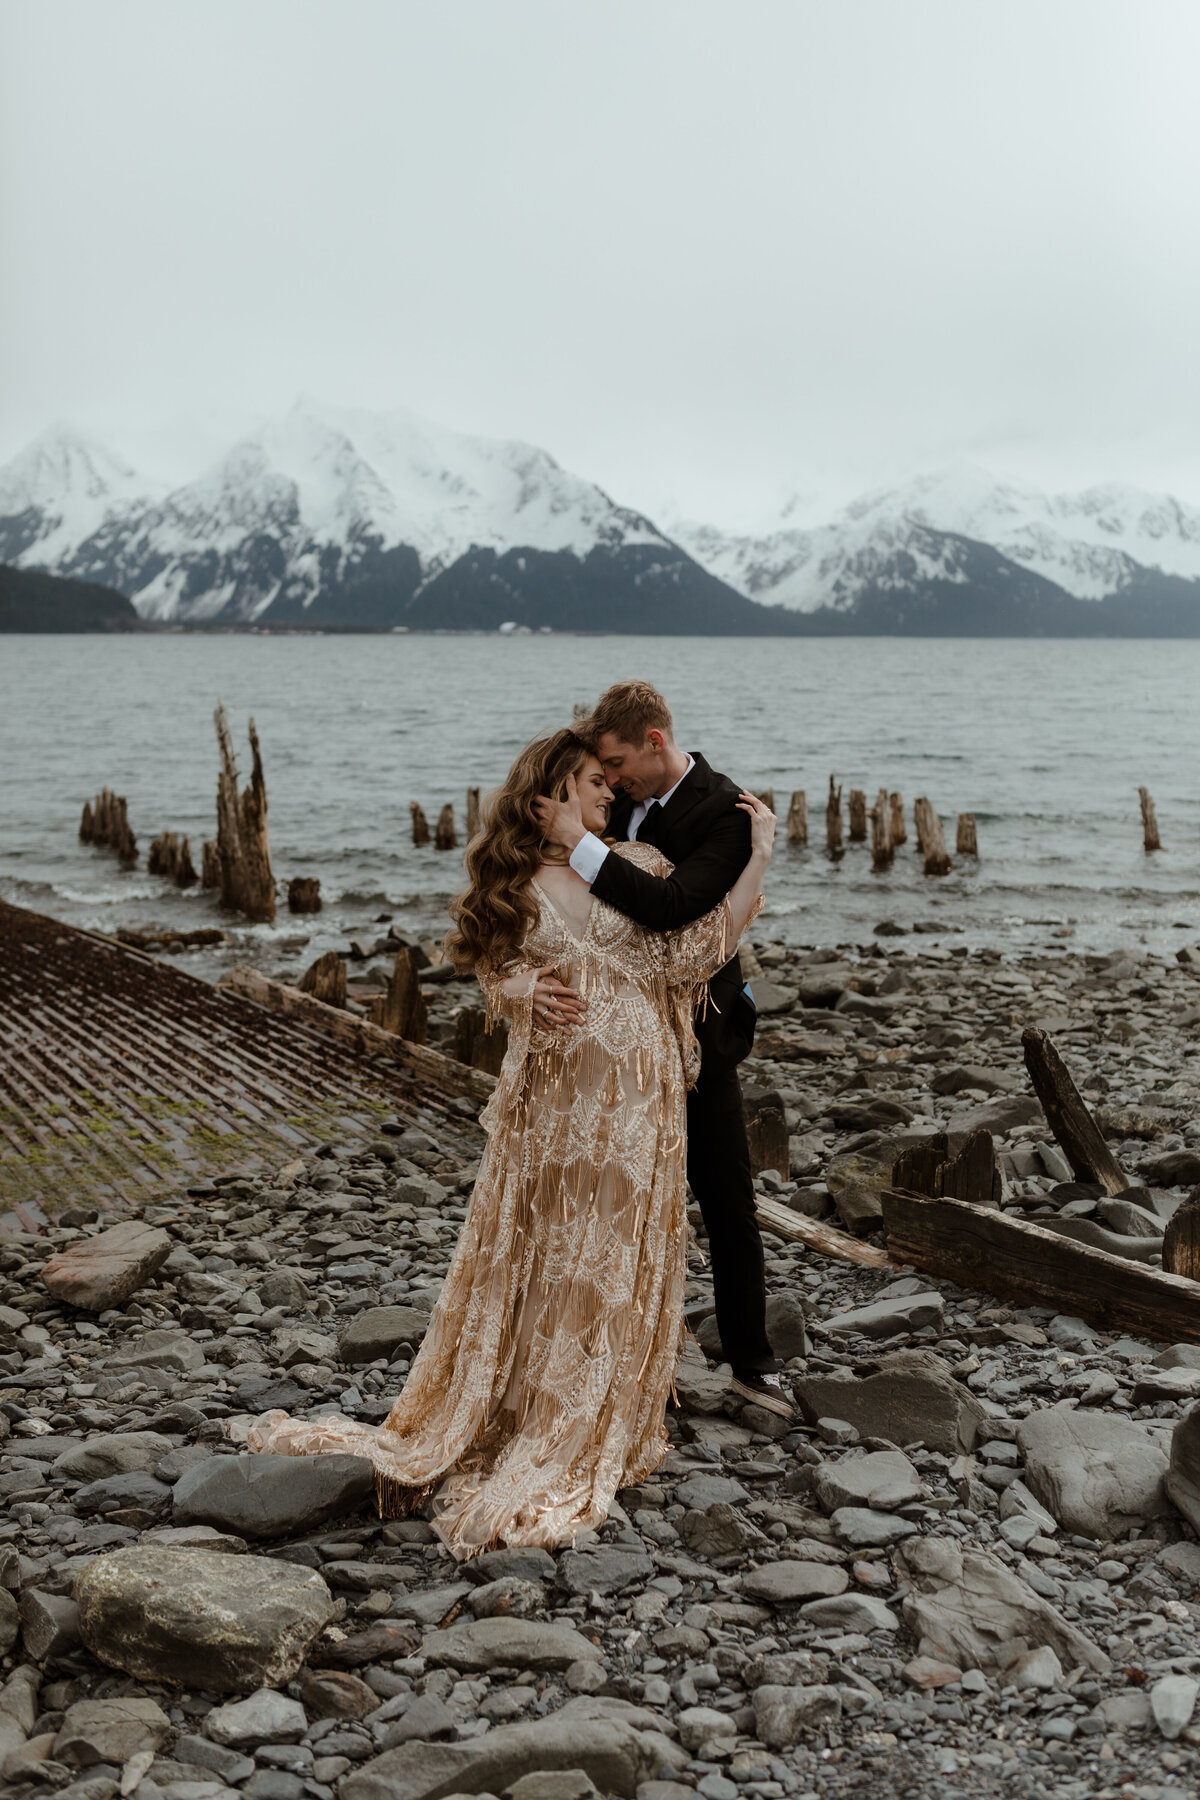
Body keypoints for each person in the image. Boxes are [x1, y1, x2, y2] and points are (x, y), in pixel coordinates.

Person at [249, 728, 775, 1558]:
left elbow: (697, 950)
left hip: (637, 1096)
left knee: (609, 1251)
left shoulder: (636, 868)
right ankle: (518, 1406)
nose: (611, 793)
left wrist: (757, 858)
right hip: (557, 1101)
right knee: (541, 1246)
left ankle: (592, 1408)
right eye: (594, 783)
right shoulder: (516, 886)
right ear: (550, 797)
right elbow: (486, 967)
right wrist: (517, 986)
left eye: (612, 780)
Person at [533, 680, 791, 1419]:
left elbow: (677, 913)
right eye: (599, 772)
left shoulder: (727, 812)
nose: (609, 781)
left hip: (699, 1034)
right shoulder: (609, 805)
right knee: (614, 1199)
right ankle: (610, 1359)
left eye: (615, 763)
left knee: (725, 1192)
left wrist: (576, 842)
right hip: (608, 1036)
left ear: (655, 740)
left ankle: (752, 1360)